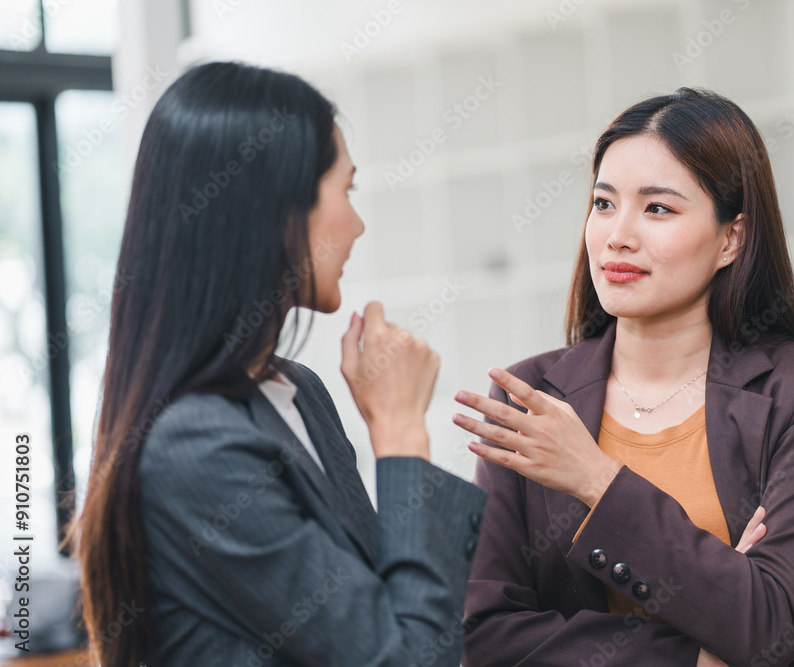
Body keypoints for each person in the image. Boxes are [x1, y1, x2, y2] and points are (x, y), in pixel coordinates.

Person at [70, 61, 486, 667]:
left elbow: (387, 611)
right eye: (346, 190)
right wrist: (401, 434)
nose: (358, 223)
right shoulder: (195, 449)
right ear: (276, 211)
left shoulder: (299, 393)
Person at [452, 88, 794, 666]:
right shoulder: (531, 398)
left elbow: (769, 626)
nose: (618, 235)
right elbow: (486, 634)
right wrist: (695, 655)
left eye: (658, 208)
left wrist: (596, 478)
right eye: (603, 203)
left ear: (730, 239)